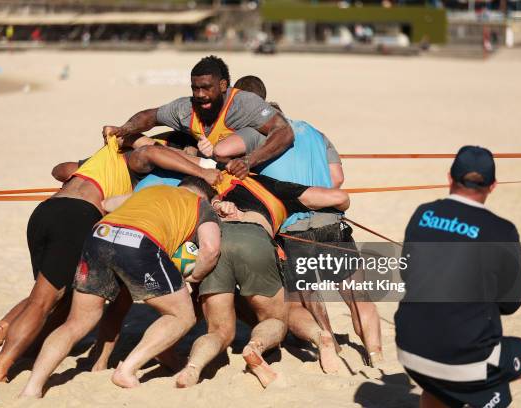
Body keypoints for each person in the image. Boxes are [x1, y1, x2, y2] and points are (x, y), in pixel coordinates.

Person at [0, 136, 221, 382]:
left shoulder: (103, 160)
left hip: (49, 212)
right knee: (46, 300)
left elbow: (62, 171)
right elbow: (150, 154)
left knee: (52, 295)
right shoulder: (139, 165)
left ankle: (8, 344)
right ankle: (1, 368)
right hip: (81, 218)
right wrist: (201, 169)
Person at [19, 177, 222, 397]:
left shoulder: (152, 191)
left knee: (77, 322)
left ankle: (32, 387)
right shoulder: (201, 205)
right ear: (205, 197)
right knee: (181, 316)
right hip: (140, 242)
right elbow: (210, 249)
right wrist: (195, 276)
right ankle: (127, 370)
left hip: (99, 235)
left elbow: (107, 204)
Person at [233, 75, 382, 370]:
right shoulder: (313, 131)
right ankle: (376, 355)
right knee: (358, 297)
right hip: (331, 221)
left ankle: (330, 344)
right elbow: (337, 178)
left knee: (310, 298)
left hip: (293, 228)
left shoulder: (252, 140)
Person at [175, 170, 350, 388]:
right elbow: (339, 198)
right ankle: (263, 345)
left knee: (218, 331)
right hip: (253, 238)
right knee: (278, 317)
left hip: (215, 244)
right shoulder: (266, 185)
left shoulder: (206, 200)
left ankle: (193, 368)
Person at [395, 146, 521, 408]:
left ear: (449, 177)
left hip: (410, 350)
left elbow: (408, 273)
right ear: (492, 186)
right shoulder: (502, 231)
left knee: (438, 384)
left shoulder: (423, 213)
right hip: (464, 359)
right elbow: (511, 304)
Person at [104, 55, 294, 179]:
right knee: (136, 146)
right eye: (195, 88)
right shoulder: (185, 109)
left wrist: (248, 161)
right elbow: (150, 117)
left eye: (206, 87)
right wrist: (126, 128)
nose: (200, 94)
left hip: (241, 172)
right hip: (207, 167)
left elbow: (284, 131)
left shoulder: (244, 104)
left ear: (222, 85)